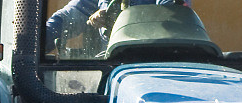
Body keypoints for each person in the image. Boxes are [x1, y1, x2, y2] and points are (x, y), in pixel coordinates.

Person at [45, 0, 190, 53]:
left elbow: (172, 17)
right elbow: (64, 20)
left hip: (152, 64)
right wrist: (36, 42)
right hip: (110, 67)